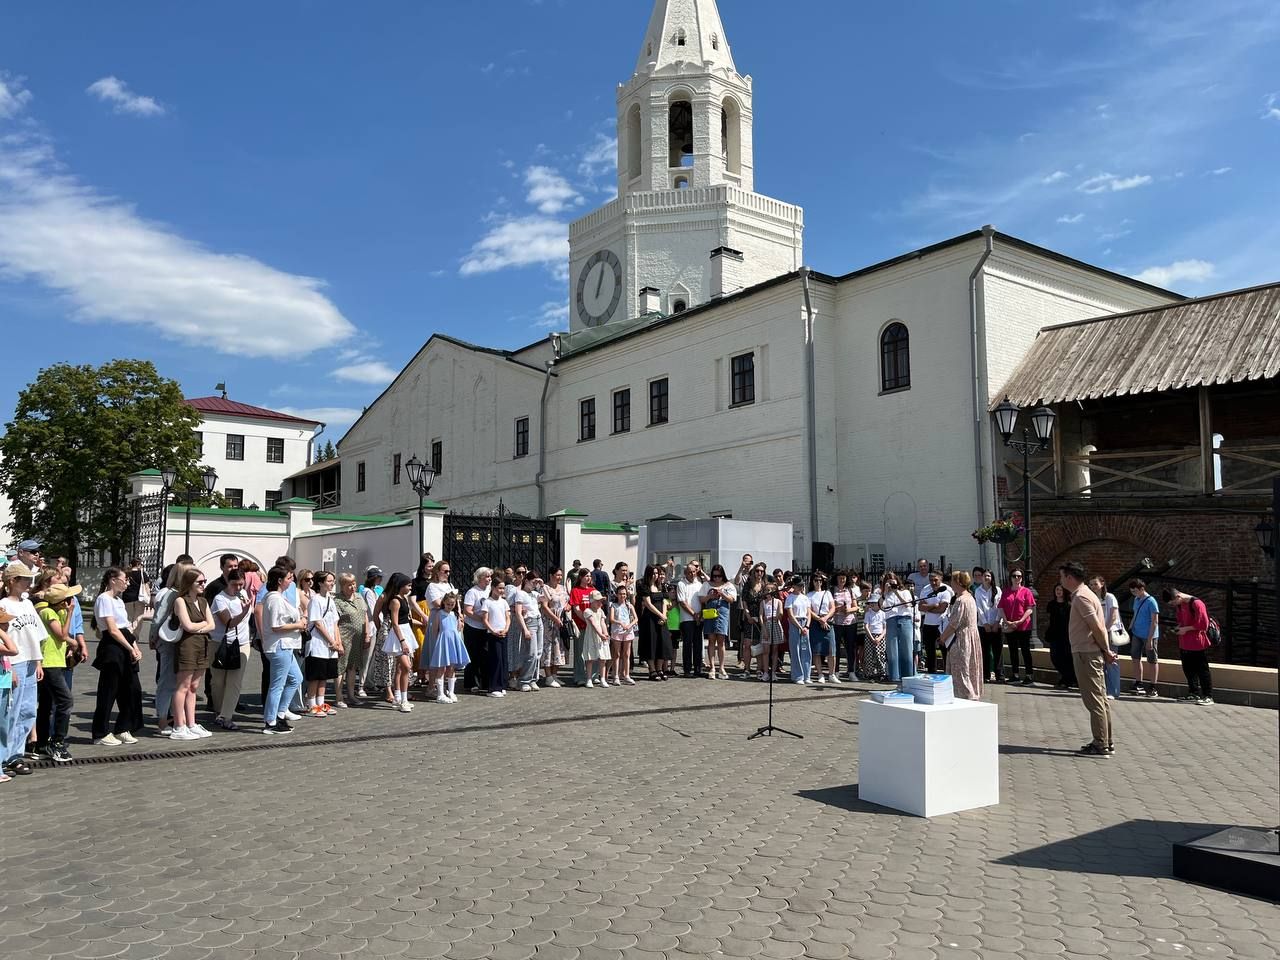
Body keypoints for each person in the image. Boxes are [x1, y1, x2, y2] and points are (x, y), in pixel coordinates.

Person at [1061, 561, 1115, 757]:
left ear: (1069, 577)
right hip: (1088, 652)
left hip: (1086, 653)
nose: (1060, 581)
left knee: (1094, 700)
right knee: (1100, 699)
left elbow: (1097, 627)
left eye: (1062, 576)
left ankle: (1100, 743)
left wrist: (1106, 650)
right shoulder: (1085, 595)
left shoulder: (1081, 597)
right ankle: (1105, 741)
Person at [87, 567, 144, 748]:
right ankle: (100, 732)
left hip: (125, 643)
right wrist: (129, 647)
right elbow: (112, 629)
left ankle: (123, 727)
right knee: (108, 691)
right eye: (124, 579)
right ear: (113, 580)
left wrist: (134, 647)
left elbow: (126, 627)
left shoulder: (118, 600)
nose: (127, 583)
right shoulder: (104, 599)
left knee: (132, 689)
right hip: (112, 647)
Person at [34, 583, 79, 762]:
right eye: (68, 598)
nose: (71, 601)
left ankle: (41, 743)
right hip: (49, 662)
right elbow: (61, 634)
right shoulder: (48, 613)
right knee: (65, 701)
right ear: (61, 602)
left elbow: (64, 635)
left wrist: (72, 642)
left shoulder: (58, 612)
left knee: (46, 703)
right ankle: (57, 742)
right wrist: (69, 613)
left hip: (57, 661)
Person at [171, 568, 216, 741]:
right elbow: (187, 626)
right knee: (183, 684)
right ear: (189, 583)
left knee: (194, 687)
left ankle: (191, 723)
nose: (203, 585)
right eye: (200, 582)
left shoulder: (203, 601)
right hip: (187, 645)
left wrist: (200, 626)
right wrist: (202, 624)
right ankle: (178, 724)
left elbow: (212, 625)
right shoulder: (180, 601)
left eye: (204, 581)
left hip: (202, 644)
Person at [261, 565, 306, 734]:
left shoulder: (279, 597)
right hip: (279, 645)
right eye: (288, 578)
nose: (291, 580)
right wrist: (298, 625)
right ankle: (271, 722)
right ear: (279, 581)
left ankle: (279, 713)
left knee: (296, 678)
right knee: (277, 685)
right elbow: (276, 626)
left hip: (286, 645)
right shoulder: (274, 599)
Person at [210, 569, 252, 729]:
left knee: (235, 682)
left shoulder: (243, 595)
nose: (239, 587)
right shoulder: (220, 599)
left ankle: (226, 716)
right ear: (228, 582)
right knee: (218, 681)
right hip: (220, 643)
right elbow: (229, 622)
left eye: (242, 584)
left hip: (241, 644)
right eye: (235, 584)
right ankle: (219, 712)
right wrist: (244, 612)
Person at [1162, 587, 1214, 705]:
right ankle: (1194, 693)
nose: (1174, 605)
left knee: (1202, 669)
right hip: (1184, 643)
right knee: (1188, 669)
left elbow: (1203, 625)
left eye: (1173, 602)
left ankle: (1208, 696)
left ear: (1178, 597)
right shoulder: (1180, 605)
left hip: (1197, 643)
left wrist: (1185, 629)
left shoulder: (1196, 604)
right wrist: (1179, 627)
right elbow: (1181, 620)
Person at [937, 571, 983, 700]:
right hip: (971, 637)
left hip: (962, 638)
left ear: (958, 582)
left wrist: (943, 637)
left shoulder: (961, 600)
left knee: (961, 670)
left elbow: (953, 624)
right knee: (968, 668)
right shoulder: (970, 597)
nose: (951, 583)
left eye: (952, 580)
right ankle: (972, 694)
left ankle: (965, 697)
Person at [305, 571, 341, 717]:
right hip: (318, 644)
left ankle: (321, 702)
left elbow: (335, 623)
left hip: (330, 647)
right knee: (315, 676)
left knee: (324, 676)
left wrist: (337, 641)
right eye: (329, 581)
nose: (332, 583)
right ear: (320, 583)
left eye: (333, 581)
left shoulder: (330, 600)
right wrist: (331, 641)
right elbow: (318, 624)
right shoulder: (315, 600)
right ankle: (311, 704)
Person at [380, 573, 418, 711]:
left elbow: (407, 618)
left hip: (406, 631)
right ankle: (403, 700)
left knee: (400, 668)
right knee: (407, 667)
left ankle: (398, 697)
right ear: (401, 586)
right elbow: (395, 623)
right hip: (398, 634)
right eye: (408, 585)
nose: (410, 587)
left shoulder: (404, 599)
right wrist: (402, 641)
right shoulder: (395, 601)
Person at [426, 591, 469, 703]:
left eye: (452, 604)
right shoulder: (439, 614)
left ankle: (451, 691)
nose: (450, 606)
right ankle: (440, 694)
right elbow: (435, 630)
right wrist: (437, 643)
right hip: (443, 641)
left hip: (453, 641)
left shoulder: (454, 615)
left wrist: (460, 621)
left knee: (451, 667)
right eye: (448, 604)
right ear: (444, 603)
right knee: (442, 668)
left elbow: (458, 629)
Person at [334, 573, 369, 708]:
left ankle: (351, 695)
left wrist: (367, 634)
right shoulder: (337, 600)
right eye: (349, 584)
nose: (352, 586)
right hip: (344, 638)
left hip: (358, 639)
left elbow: (364, 615)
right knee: (341, 667)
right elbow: (335, 622)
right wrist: (337, 641)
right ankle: (339, 697)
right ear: (342, 586)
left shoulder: (359, 597)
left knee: (353, 667)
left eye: (353, 583)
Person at [875, 572, 915, 683]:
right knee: (892, 649)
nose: (891, 584)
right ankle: (895, 676)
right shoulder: (884, 595)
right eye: (888, 582)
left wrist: (896, 591)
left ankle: (908, 675)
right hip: (891, 621)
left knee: (906, 647)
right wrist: (885, 593)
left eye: (893, 581)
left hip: (904, 619)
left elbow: (907, 604)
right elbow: (880, 607)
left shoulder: (905, 592)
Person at [997, 569, 1036, 685]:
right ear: (1011, 578)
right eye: (1014, 576)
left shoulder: (1026, 591)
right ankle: (1015, 675)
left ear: (1022, 578)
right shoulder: (1006, 591)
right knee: (1012, 650)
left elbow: (1030, 608)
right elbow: (1001, 607)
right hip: (1010, 625)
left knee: (1025, 650)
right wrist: (1006, 621)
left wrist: (1020, 621)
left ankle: (1029, 675)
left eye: (1019, 576)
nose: (1016, 578)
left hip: (1023, 626)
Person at [1090, 575, 1122, 700]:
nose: (1093, 587)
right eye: (1091, 584)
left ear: (1102, 584)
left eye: (1095, 584)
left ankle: (1113, 691)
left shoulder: (1109, 597)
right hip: (1098, 633)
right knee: (1100, 662)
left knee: (1111, 661)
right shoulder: (1093, 599)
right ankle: (1102, 689)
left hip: (1109, 632)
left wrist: (1105, 630)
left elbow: (1113, 616)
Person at [462, 568, 494, 693]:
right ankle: (472, 683)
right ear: (479, 578)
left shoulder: (490, 591)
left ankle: (485, 683)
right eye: (487, 576)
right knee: (473, 655)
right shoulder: (473, 592)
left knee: (485, 655)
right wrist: (481, 619)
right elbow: (467, 610)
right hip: (473, 628)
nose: (489, 579)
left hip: (486, 628)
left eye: (490, 577)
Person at [511, 571, 544, 692]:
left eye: (536, 582)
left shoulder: (535, 593)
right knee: (531, 653)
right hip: (529, 622)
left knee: (538, 652)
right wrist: (525, 629)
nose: (535, 584)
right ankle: (524, 680)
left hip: (538, 620)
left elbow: (547, 598)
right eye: (533, 582)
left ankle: (533, 679)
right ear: (527, 581)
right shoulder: (521, 594)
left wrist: (542, 586)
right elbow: (518, 613)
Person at [702, 565, 735, 680]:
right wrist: (710, 596)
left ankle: (721, 667)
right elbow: (701, 599)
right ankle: (712, 667)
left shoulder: (729, 585)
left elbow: (732, 600)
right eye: (715, 576)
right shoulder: (706, 584)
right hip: (710, 612)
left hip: (722, 613)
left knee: (721, 641)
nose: (717, 579)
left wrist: (722, 593)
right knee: (711, 640)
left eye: (719, 576)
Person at [1128, 579, 1161, 698]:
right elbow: (1135, 614)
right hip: (1137, 633)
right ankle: (1138, 683)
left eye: (1135, 591)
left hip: (1149, 635)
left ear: (1142, 589)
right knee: (1135, 658)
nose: (1133, 593)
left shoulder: (1151, 601)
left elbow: (1154, 621)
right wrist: (1130, 628)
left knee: (1152, 660)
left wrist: (1150, 639)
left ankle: (1153, 686)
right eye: (1132, 591)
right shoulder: (1136, 600)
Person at [637, 565, 671, 681]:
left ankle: (660, 668)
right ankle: (652, 670)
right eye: (653, 573)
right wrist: (660, 614)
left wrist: (664, 615)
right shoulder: (644, 586)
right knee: (651, 643)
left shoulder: (660, 586)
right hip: (650, 619)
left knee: (662, 642)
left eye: (657, 573)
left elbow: (665, 601)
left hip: (661, 619)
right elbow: (648, 604)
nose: (655, 575)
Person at [917, 570, 953, 675]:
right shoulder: (925, 590)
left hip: (941, 624)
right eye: (931, 580)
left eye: (935, 580)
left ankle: (947, 672)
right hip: (928, 624)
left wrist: (929, 607)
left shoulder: (946, 590)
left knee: (944, 650)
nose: (933, 582)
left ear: (940, 579)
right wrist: (935, 605)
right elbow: (920, 607)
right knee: (929, 650)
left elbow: (942, 609)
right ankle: (932, 672)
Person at [480, 576, 510, 698]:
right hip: (493, 635)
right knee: (495, 660)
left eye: (503, 588)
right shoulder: (487, 602)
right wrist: (492, 631)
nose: (502, 591)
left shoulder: (504, 602)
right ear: (493, 588)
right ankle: (493, 687)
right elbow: (484, 619)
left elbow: (508, 617)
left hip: (503, 633)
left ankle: (502, 685)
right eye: (499, 588)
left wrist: (506, 629)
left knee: (503, 660)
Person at [539, 568, 569, 688]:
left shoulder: (562, 588)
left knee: (559, 647)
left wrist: (568, 607)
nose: (559, 577)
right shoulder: (545, 588)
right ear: (551, 575)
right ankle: (548, 676)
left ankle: (555, 674)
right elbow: (544, 607)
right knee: (549, 648)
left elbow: (567, 601)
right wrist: (555, 618)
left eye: (561, 575)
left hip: (561, 622)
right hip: (549, 622)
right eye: (557, 575)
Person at [806, 572, 838, 684]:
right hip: (816, 622)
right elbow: (808, 610)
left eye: (820, 580)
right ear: (812, 582)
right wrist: (819, 619)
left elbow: (833, 607)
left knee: (831, 649)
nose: (818, 582)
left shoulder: (827, 593)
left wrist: (826, 618)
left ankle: (831, 674)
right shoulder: (809, 595)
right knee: (817, 650)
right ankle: (820, 674)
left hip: (828, 621)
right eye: (816, 580)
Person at [676, 563, 706, 678]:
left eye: (693, 572)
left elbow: (703, 600)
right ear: (685, 573)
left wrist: (700, 615)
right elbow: (682, 602)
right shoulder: (681, 584)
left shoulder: (699, 584)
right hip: (687, 619)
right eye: (689, 572)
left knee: (698, 644)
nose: (692, 574)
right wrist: (694, 614)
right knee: (688, 645)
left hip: (699, 619)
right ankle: (687, 670)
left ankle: (698, 669)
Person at [358, 566, 385, 699]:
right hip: (371, 626)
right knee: (367, 657)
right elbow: (373, 610)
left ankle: (369, 682)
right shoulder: (368, 592)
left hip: (375, 625)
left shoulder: (374, 591)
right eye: (379, 577)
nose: (381, 579)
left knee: (373, 656)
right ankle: (361, 685)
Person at [0, 608, 20, 781]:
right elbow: (13, 650)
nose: (8, 625)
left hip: (4, 685)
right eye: (4, 622)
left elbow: (7, 659)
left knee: (3, 727)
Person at [974, 568, 1003, 683]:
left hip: (996, 625)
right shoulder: (978, 591)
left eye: (988, 576)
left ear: (992, 578)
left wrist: (997, 622)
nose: (986, 578)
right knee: (985, 651)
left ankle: (999, 675)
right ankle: (985, 675)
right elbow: (979, 608)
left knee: (998, 652)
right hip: (983, 625)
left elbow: (1000, 607)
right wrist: (985, 623)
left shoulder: (997, 590)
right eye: (984, 576)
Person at [1045, 584, 1077, 689]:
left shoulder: (1069, 605)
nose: (1058, 591)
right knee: (1055, 657)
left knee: (1066, 658)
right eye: (1057, 589)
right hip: (1054, 634)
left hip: (1066, 635)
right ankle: (1067, 678)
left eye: (1060, 590)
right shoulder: (1051, 604)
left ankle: (1067, 679)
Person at [567, 569, 595, 686]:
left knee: (593, 651)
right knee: (580, 652)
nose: (588, 578)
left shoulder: (593, 590)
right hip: (581, 625)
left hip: (593, 626)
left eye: (589, 576)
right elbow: (576, 609)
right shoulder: (575, 590)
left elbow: (597, 607)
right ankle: (579, 676)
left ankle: (593, 676)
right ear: (580, 578)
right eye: (586, 576)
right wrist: (587, 620)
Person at [740, 565, 768, 680]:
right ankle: (747, 669)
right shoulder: (748, 585)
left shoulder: (765, 586)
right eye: (757, 571)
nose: (759, 573)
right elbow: (744, 602)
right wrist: (748, 616)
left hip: (762, 618)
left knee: (759, 645)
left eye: (762, 571)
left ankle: (758, 669)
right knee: (747, 644)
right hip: (749, 617)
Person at [832, 570, 860, 682]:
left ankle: (851, 671)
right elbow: (830, 608)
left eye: (843, 578)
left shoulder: (850, 590)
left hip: (850, 622)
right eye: (840, 578)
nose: (842, 580)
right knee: (836, 648)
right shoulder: (832, 590)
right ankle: (836, 671)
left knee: (850, 648)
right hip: (837, 622)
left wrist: (849, 610)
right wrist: (839, 609)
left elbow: (856, 607)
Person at [784, 576, 812, 685]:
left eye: (802, 585)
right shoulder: (790, 597)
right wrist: (800, 627)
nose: (801, 587)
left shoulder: (805, 598)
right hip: (795, 623)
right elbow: (790, 615)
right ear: (794, 586)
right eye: (798, 585)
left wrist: (807, 626)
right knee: (795, 649)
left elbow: (808, 613)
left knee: (805, 650)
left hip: (805, 623)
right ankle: (797, 675)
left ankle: (807, 675)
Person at [608, 584, 637, 685]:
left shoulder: (629, 605)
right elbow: (611, 619)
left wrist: (630, 625)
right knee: (616, 654)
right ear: (616, 594)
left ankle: (626, 675)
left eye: (624, 594)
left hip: (628, 631)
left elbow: (636, 618)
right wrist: (620, 623)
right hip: (617, 632)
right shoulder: (613, 605)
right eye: (620, 594)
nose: (622, 596)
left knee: (626, 654)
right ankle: (616, 675)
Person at [581, 591, 610, 688]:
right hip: (591, 637)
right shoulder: (587, 611)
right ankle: (589, 679)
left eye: (601, 601)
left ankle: (602, 678)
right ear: (592, 601)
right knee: (590, 659)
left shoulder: (601, 611)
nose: (600, 603)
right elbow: (593, 624)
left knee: (603, 659)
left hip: (601, 637)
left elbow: (602, 623)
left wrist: (605, 633)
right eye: (597, 601)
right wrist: (600, 634)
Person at [862, 597, 887, 681]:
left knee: (880, 655)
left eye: (874, 602)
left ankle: (882, 673)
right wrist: (872, 638)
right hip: (870, 635)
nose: (872, 604)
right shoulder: (868, 613)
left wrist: (879, 638)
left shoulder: (883, 613)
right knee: (869, 655)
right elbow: (866, 626)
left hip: (880, 636)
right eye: (870, 603)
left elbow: (885, 628)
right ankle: (870, 674)